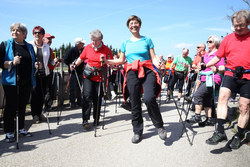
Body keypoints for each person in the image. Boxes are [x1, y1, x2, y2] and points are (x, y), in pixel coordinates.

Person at [103, 15, 167, 144]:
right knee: (134, 101)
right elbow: (121, 60)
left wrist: (159, 63)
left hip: (147, 69)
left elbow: (153, 57)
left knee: (149, 98)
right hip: (132, 71)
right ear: (128, 27)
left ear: (140, 25)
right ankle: (137, 131)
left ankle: (159, 126)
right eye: (131, 23)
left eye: (136, 23)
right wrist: (107, 61)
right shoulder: (125, 43)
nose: (134, 25)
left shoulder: (147, 40)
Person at [205, 10, 250, 149]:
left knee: (244, 106)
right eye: (235, 25)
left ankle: (239, 135)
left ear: (248, 23)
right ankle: (219, 131)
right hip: (230, 73)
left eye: (241, 25)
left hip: (248, 76)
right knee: (223, 98)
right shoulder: (228, 38)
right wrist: (207, 64)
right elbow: (219, 56)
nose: (237, 28)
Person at [0, 23, 36, 142]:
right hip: (11, 81)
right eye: (12, 30)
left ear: (24, 34)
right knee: (10, 106)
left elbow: (32, 60)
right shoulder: (6, 44)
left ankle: (20, 128)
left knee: (22, 105)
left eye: (18, 30)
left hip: (26, 81)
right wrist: (11, 62)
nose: (14, 32)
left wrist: (36, 64)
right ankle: (9, 131)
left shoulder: (29, 47)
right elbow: (0, 62)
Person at [71, 29, 113, 129]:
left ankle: (96, 119)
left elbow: (111, 62)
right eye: (92, 40)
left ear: (101, 39)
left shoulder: (106, 49)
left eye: (95, 40)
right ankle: (85, 119)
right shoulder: (88, 48)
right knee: (87, 96)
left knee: (97, 98)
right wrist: (75, 64)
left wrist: (106, 61)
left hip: (100, 76)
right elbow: (81, 58)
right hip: (88, 75)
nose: (93, 42)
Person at [187, 35, 225, 126]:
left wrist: (216, 68)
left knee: (197, 94)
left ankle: (197, 116)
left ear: (216, 43)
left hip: (213, 78)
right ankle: (209, 119)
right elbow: (203, 67)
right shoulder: (206, 54)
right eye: (207, 41)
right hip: (204, 78)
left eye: (210, 41)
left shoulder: (218, 54)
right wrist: (195, 70)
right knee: (207, 99)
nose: (208, 43)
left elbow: (222, 68)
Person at [30, 26, 59, 123]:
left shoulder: (47, 47)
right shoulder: (29, 45)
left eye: (39, 33)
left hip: (44, 74)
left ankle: (39, 113)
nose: (37, 34)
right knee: (35, 95)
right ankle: (35, 115)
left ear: (43, 35)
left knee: (42, 95)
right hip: (33, 74)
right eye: (35, 33)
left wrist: (54, 62)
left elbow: (50, 61)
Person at [64, 37, 85, 108]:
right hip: (73, 72)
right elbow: (65, 59)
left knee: (80, 87)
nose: (83, 44)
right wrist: (69, 64)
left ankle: (79, 101)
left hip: (80, 71)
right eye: (82, 43)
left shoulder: (83, 50)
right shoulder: (72, 50)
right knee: (72, 87)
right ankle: (72, 102)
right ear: (78, 44)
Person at [43, 33, 56, 109]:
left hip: (50, 71)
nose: (50, 40)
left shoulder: (49, 49)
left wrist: (55, 63)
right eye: (48, 38)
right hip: (44, 72)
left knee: (50, 89)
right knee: (46, 90)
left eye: (51, 39)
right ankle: (46, 106)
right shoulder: (43, 48)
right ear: (43, 39)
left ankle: (48, 105)